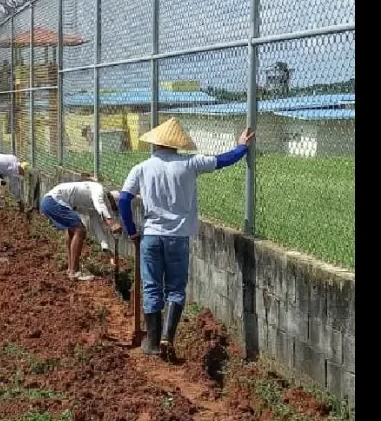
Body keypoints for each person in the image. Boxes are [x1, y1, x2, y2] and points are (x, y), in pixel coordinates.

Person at [118, 118, 254, 359]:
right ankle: (167, 337)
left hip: (151, 236)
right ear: (177, 144)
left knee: (151, 287)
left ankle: (151, 343)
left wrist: (131, 231)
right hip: (178, 237)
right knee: (176, 289)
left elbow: (124, 199)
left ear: (156, 144)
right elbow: (223, 160)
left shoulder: (141, 168)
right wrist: (242, 146)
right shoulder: (190, 164)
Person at [41, 182, 122, 280]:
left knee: (73, 230)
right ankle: (74, 271)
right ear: (111, 199)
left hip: (49, 202)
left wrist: (106, 248)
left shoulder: (93, 205)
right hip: (53, 201)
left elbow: (96, 225)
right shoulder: (99, 189)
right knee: (80, 230)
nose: (111, 208)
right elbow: (99, 202)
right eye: (112, 206)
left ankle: (71, 270)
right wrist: (111, 222)